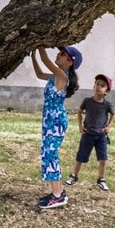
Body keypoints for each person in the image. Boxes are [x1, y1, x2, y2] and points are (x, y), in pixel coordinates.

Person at [31, 46, 82, 209]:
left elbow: (45, 61)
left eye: (61, 54)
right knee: (47, 152)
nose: (57, 55)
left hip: (55, 120)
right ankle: (58, 191)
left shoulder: (61, 75)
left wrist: (39, 44)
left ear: (69, 61)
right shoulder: (56, 76)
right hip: (50, 119)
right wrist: (33, 55)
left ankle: (57, 196)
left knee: (51, 154)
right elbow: (39, 74)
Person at [65, 74, 115, 191]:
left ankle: (101, 179)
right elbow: (79, 112)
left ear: (106, 91)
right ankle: (74, 176)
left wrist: (108, 127)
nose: (98, 87)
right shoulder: (87, 101)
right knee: (80, 157)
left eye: (102, 86)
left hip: (101, 136)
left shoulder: (107, 105)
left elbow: (114, 114)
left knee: (103, 159)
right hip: (88, 134)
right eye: (97, 84)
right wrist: (80, 126)